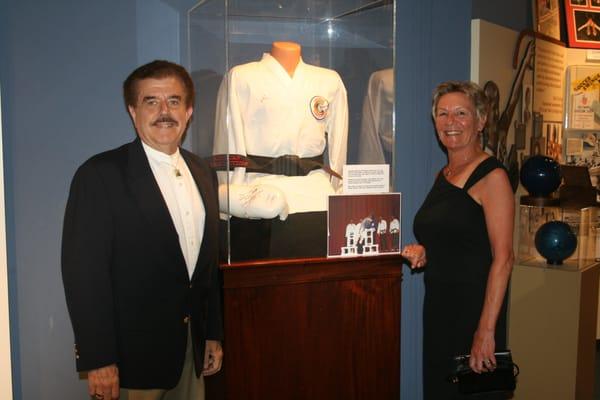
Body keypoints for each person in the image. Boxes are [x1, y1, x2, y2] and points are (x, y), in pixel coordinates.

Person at [61, 60, 223, 400]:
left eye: (174, 101)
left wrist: (211, 334)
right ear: (133, 111)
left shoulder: (204, 172)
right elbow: (84, 276)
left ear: (189, 110)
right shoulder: (99, 176)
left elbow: (208, 267)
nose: (164, 111)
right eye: (152, 101)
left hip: (190, 357)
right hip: (130, 365)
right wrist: (99, 359)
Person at [401, 80, 514, 400]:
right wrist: (425, 251)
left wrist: (485, 332)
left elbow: (504, 258)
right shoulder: (444, 174)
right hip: (439, 312)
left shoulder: (492, 177)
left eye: (461, 113)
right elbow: (454, 238)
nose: (450, 122)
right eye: (442, 114)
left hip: (475, 315)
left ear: (481, 121)